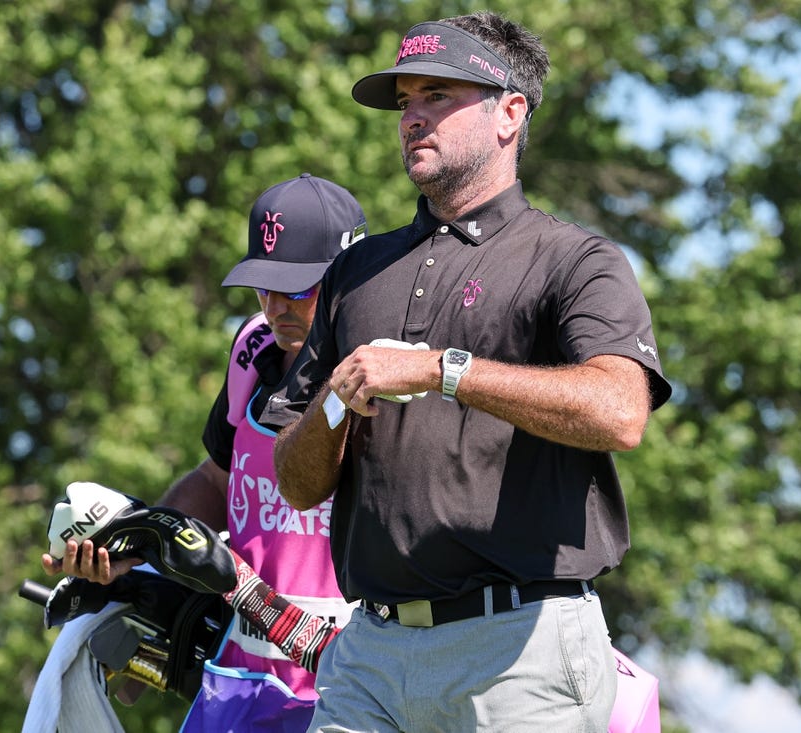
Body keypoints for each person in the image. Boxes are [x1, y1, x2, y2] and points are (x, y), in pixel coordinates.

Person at [264, 12, 672, 733]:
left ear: (510, 113)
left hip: (520, 652)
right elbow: (297, 485)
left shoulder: (573, 260)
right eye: (405, 102)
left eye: (437, 97)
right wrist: (336, 397)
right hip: (372, 656)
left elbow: (620, 410)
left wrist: (442, 370)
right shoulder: (356, 273)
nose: (412, 118)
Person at [42, 173, 368, 729]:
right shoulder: (253, 347)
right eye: (263, 287)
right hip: (236, 680)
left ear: (346, 275)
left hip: (343, 688)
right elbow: (219, 481)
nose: (275, 307)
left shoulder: (376, 375)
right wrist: (135, 543)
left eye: (296, 290)